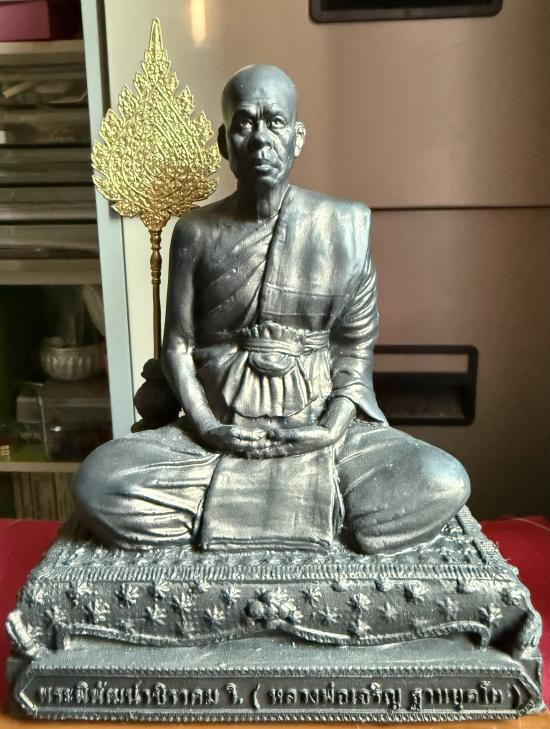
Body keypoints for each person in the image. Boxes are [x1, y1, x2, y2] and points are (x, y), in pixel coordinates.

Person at [73, 64, 469, 554]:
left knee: (441, 479)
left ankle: (245, 514)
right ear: (224, 142)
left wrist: (330, 429)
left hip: (320, 430)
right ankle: (325, 516)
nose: (261, 138)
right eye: (245, 123)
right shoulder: (195, 232)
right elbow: (177, 346)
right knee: (99, 482)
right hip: (215, 438)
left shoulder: (344, 224)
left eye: (275, 122)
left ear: (297, 137)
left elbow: (353, 348)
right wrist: (208, 427)